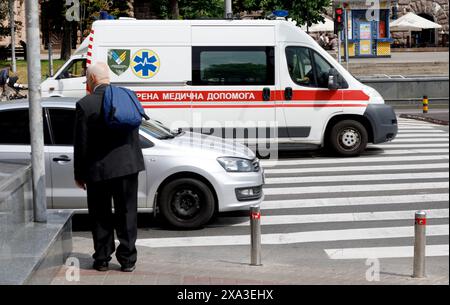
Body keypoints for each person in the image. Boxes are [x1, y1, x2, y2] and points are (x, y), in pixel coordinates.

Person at [73, 62, 145, 272]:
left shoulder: (85, 104)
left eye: (86, 78)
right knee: (127, 212)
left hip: (99, 170)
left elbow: (81, 143)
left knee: (100, 214)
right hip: (128, 167)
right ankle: (128, 260)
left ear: (92, 79)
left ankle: (102, 259)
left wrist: (79, 174)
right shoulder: (128, 96)